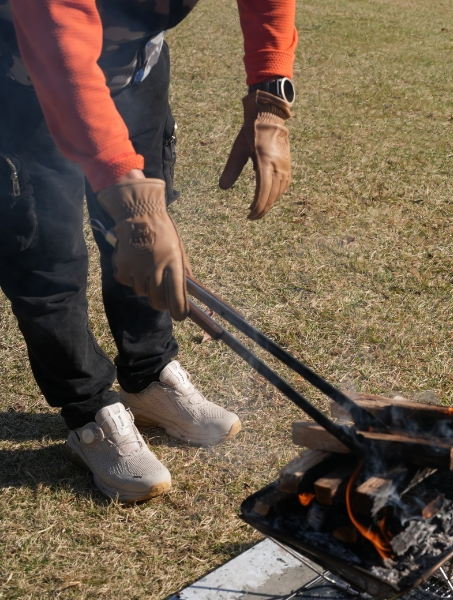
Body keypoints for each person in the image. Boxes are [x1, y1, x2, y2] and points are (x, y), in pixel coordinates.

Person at [0, 0, 296, 502]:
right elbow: (60, 43)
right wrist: (132, 202)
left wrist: (271, 94)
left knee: (146, 247)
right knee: (47, 256)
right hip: (23, 80)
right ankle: (89, 412)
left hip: (134, 74)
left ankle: (148, 373)